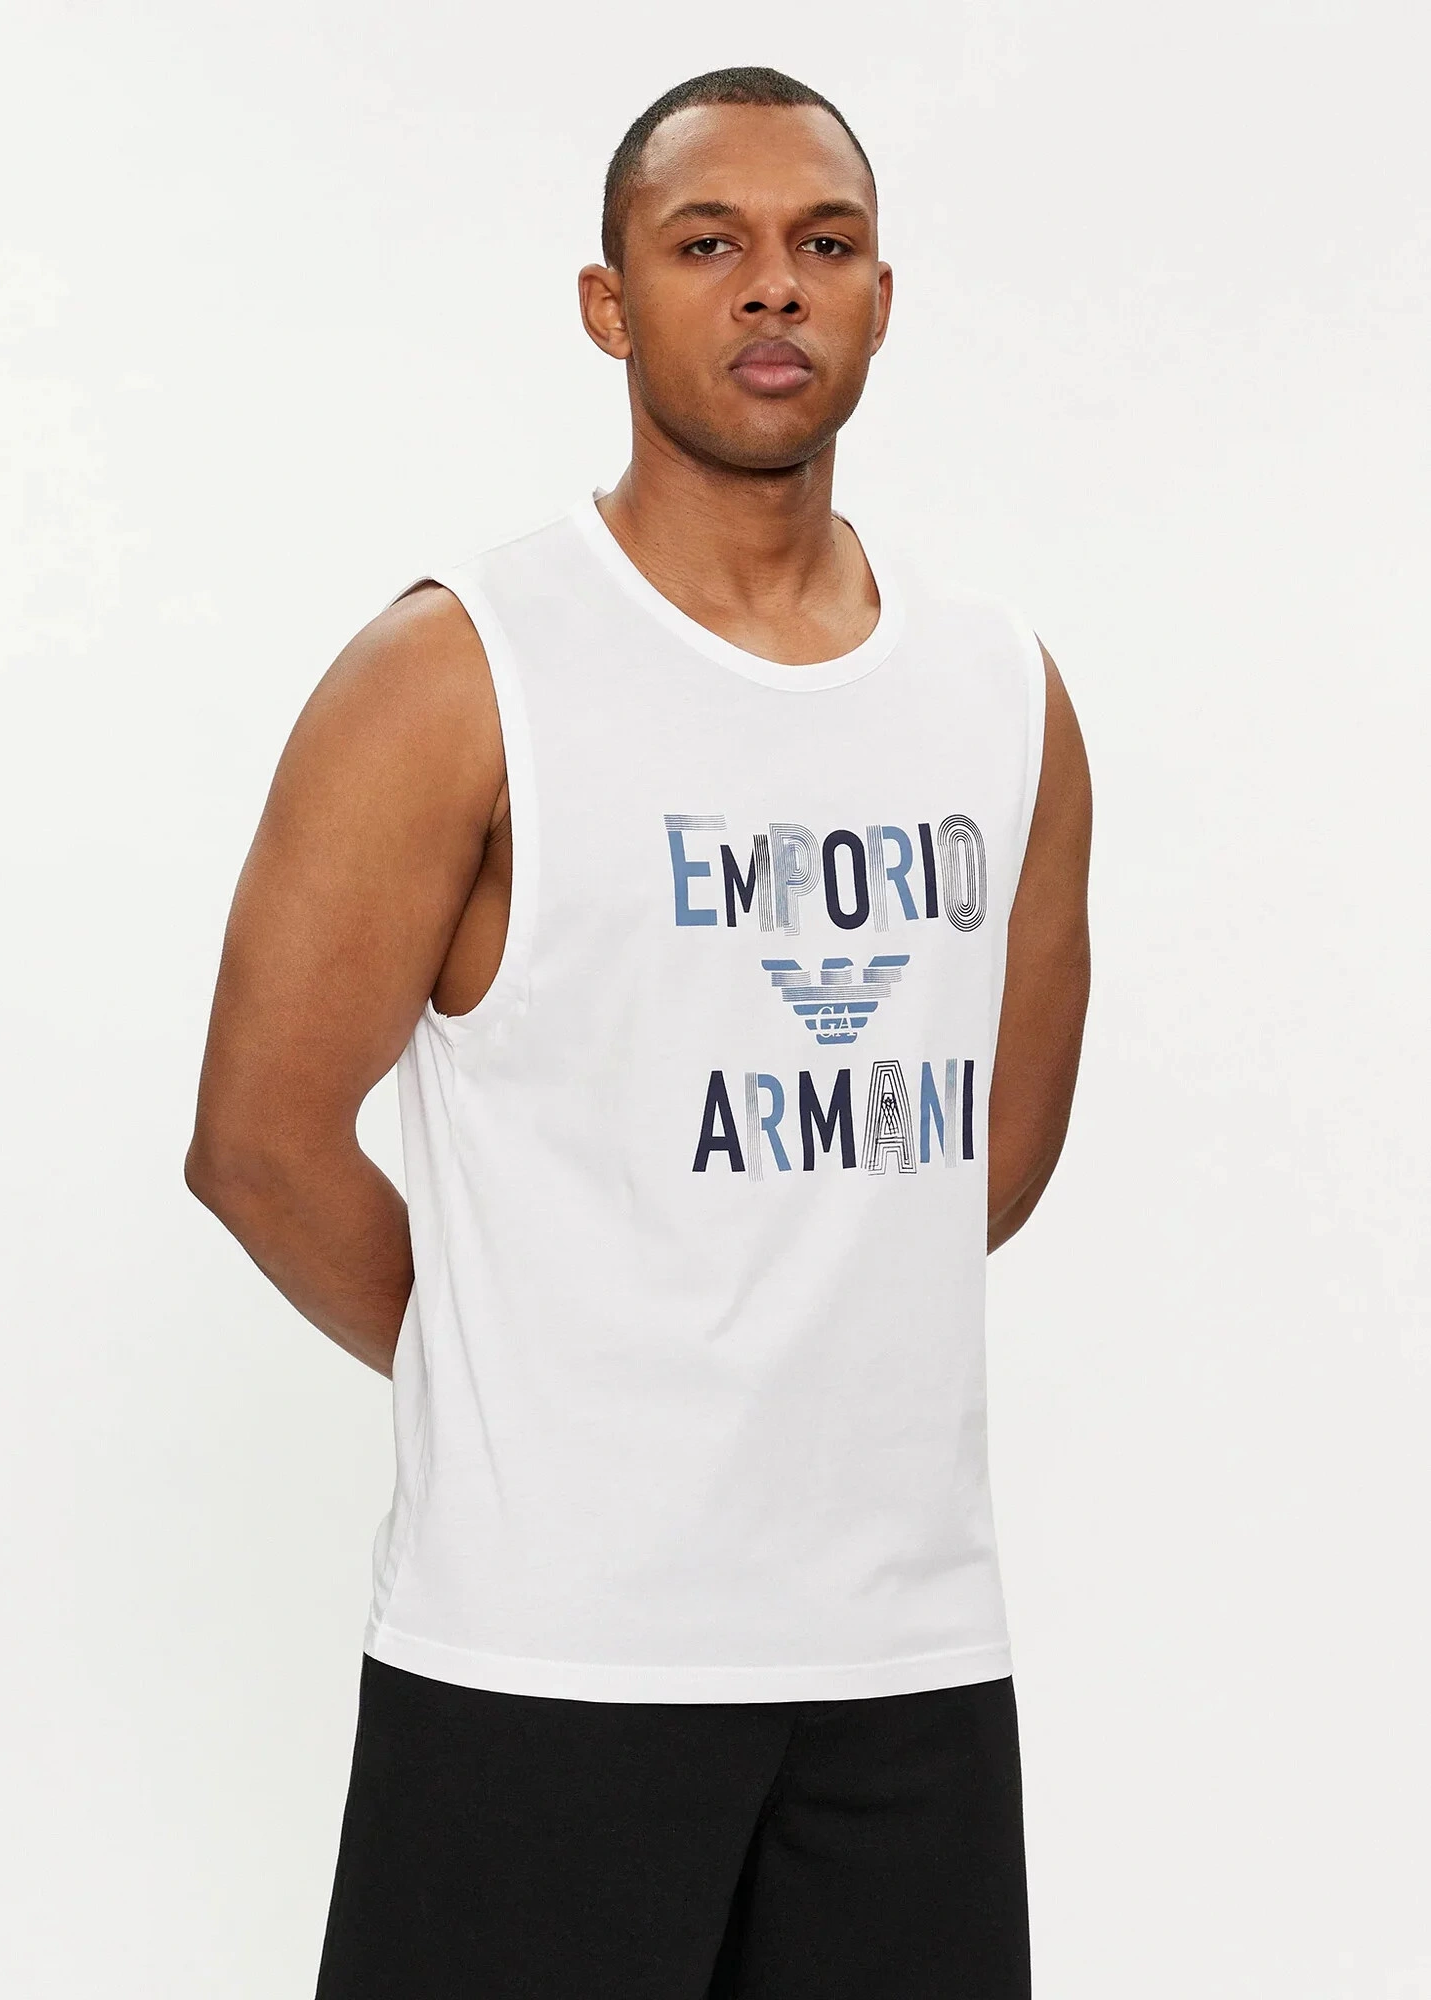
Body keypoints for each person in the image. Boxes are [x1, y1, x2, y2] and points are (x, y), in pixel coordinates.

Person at [186, 64, 1092, 2000]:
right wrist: (527, 1376)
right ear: (609, 303)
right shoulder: (461, 668)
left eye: (823, 244)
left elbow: (981, 1164)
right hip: (548, 1663)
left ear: (880, 301)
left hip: (907, 1662)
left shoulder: (1001, 690)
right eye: (708, 244)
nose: (773, 286)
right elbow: (255, 1144)